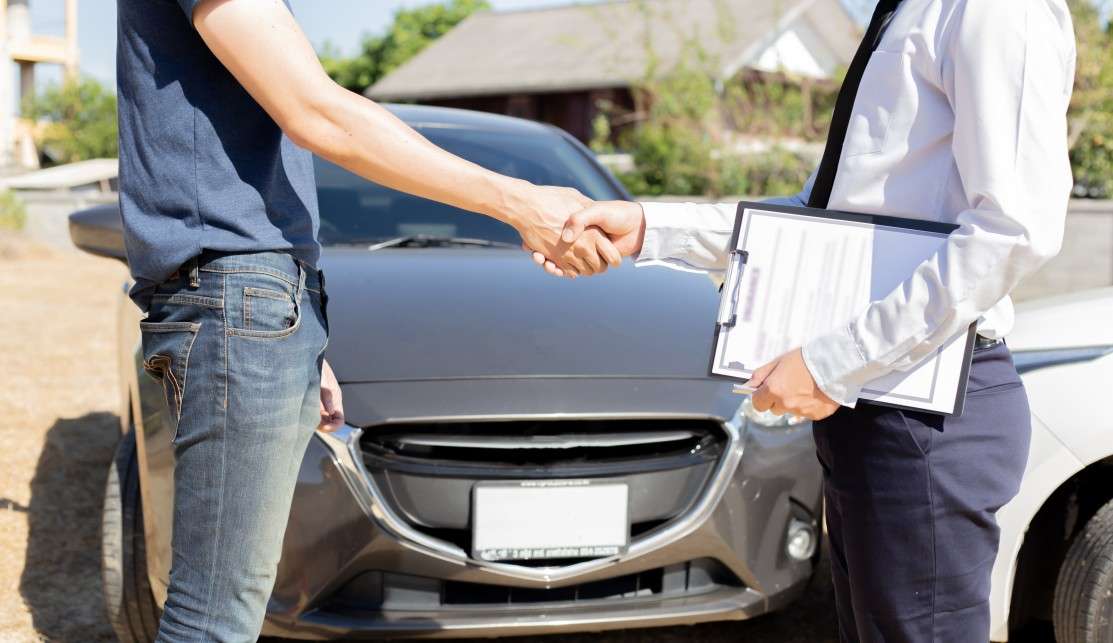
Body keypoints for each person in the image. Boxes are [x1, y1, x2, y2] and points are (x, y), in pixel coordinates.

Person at [535, 0, 1077, 640]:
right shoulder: (908, 11)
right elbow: (818, 216)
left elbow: (1013, 231)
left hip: (924, 410)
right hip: (878, 400)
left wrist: (830, 364)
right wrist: (650, 227)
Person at [116, 0, 618, 639]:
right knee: (213, 620)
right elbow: (319, 115)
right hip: (236, 300)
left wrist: (302, 341)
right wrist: (524, 204)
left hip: (258, 305)